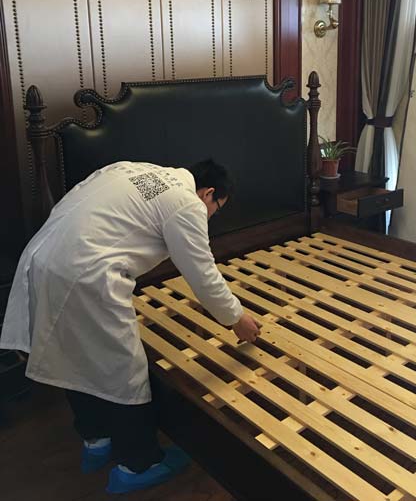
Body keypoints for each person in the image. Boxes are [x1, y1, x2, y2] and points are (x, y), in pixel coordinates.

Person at [0, 158, 261, 494]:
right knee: (127, 369)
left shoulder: (131, 169)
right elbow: (203, 274)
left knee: (73, 356)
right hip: (86, 276)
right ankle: (138, 464)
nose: (211, 216)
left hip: (43, 258)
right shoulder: (187, 204)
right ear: (208, 193)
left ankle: (96, 441)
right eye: (217, 209)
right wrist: (236, 318)